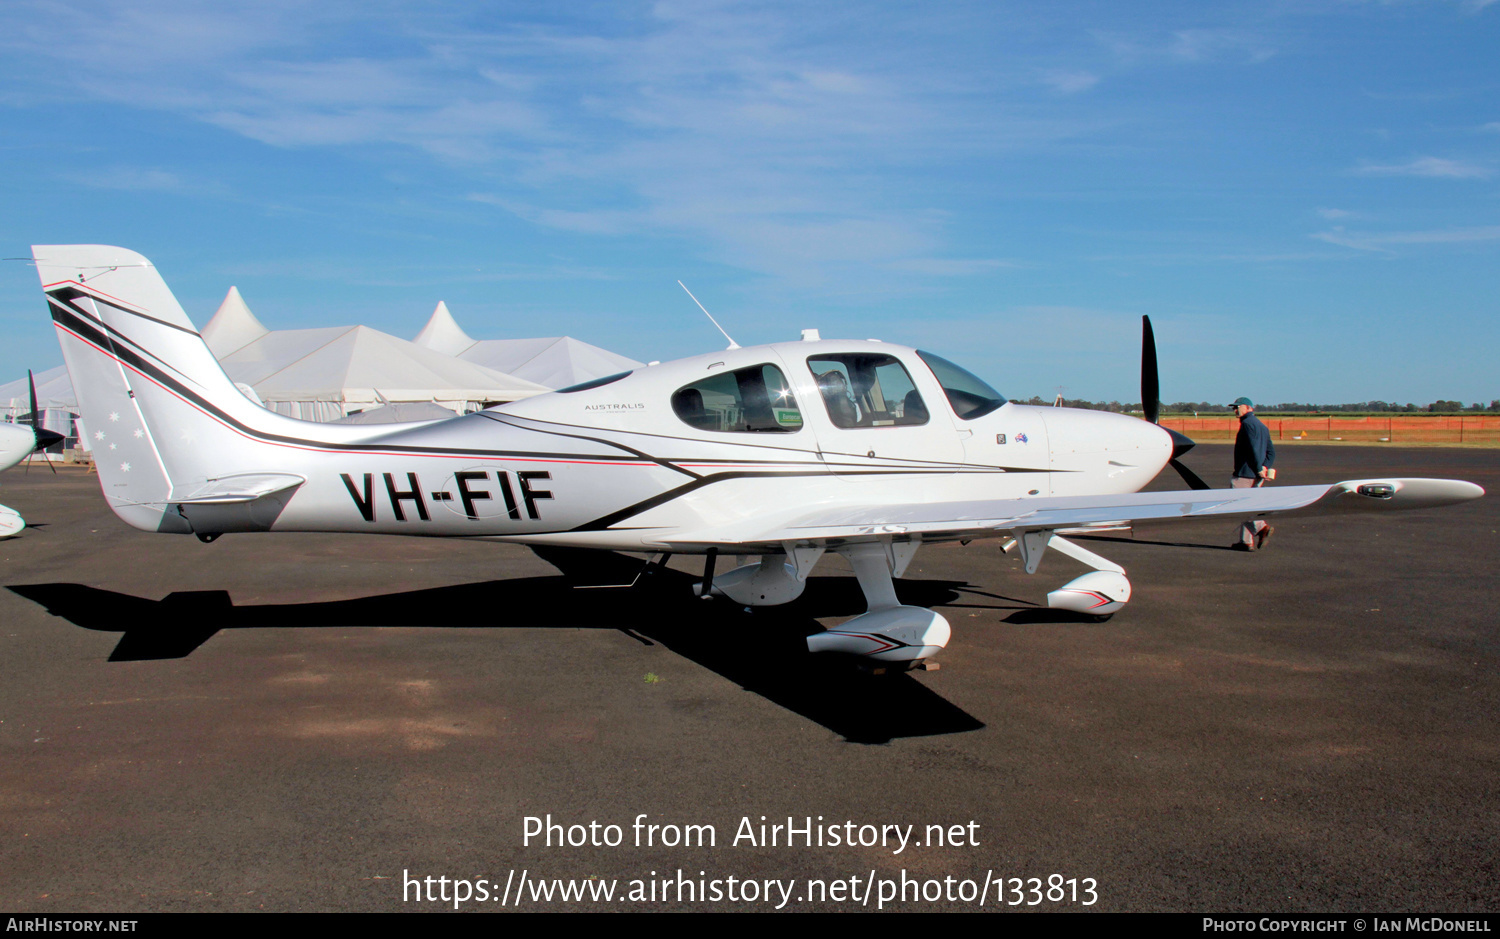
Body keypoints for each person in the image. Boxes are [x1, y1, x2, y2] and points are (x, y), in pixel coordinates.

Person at [1230, 396, 1276, 550]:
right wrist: (1265, 467)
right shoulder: (1262, 426)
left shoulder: (1248, 424)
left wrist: (1257, 467)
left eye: (1238, 407)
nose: (1235, 410)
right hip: (1257, 474)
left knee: (1239, 506)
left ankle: (1262, 528)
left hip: (1245, 473)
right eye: (1234, 407)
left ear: (1249, 408)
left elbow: (1254, 449)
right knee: (1249, 505)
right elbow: (1271, 452)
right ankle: (1245, 542)